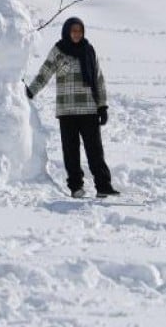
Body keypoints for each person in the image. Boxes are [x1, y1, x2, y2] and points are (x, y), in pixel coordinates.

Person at [26, 16, 119, 199]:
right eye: (73, 31)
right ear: (67, 32)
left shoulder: (89, 50)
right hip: (67, 112)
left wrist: (102, 106)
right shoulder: (59, 51)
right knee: (71, 152)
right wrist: (31, 91)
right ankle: (76, 187)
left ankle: (103, 186)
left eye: (80, 31)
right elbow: (45, 73)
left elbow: (98, 79)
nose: (77, 34)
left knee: (95, 151)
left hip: (89, 110)